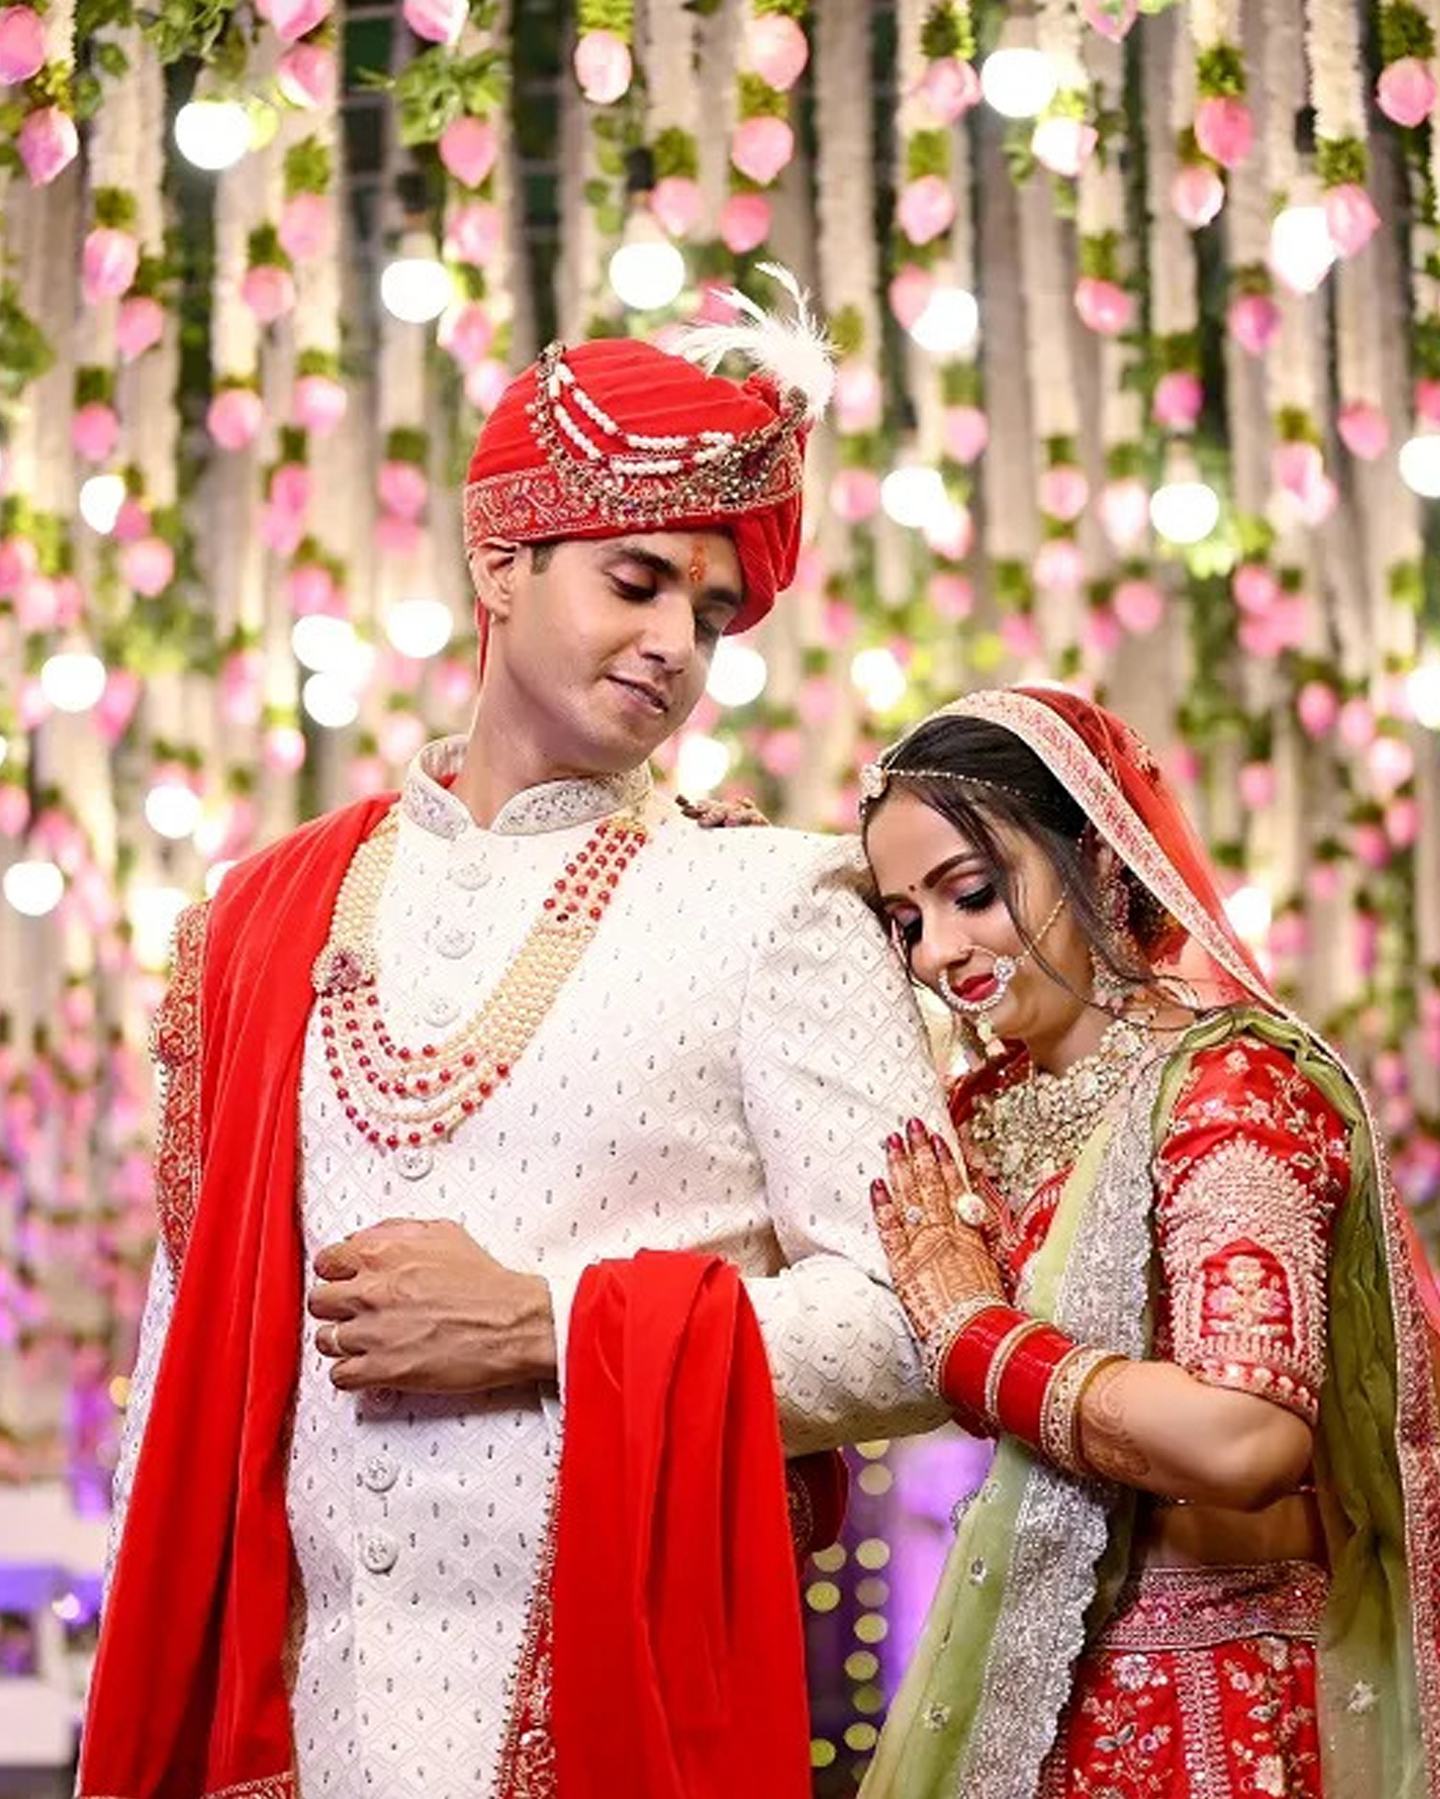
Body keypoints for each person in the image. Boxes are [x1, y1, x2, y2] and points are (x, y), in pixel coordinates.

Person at [78, 275, 952, 1799]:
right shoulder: (261, 920)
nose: (678, 645)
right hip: (295, 1729)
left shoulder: (773, 899)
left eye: (711, 615)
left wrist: (547, 1321)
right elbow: (178, 1388)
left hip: (622, 1719)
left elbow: (924, 1322)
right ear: (499, 559)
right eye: (638, 581)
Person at [851, 685, 1440, 1799]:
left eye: (972, 892)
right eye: (907, 920)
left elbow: (1246, 1436)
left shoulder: (1230, 1087)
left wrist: (979, 1342)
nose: (942, 951)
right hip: (1017, 1693)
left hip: (1212, 1696)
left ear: (1098, 855)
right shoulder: (971, 1117)